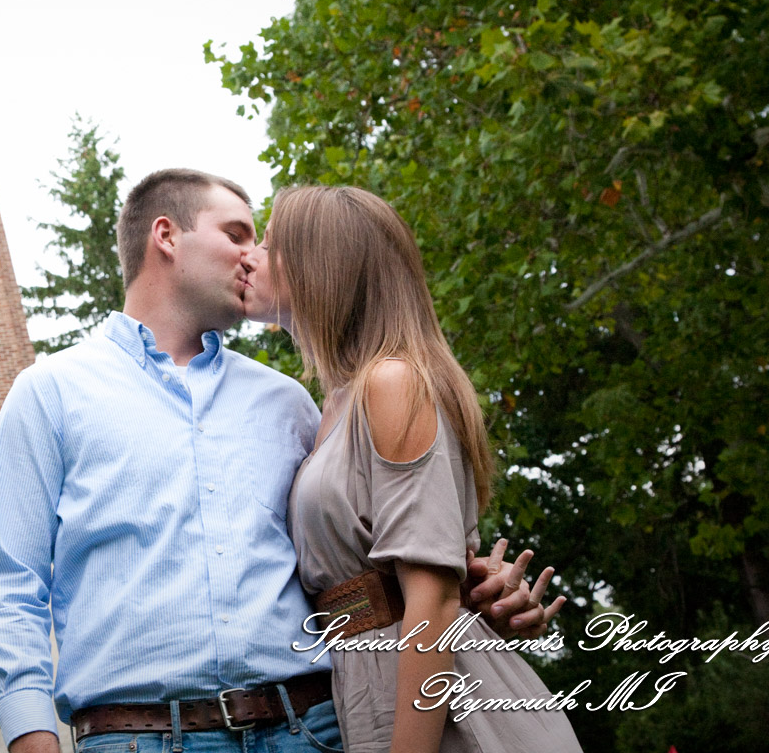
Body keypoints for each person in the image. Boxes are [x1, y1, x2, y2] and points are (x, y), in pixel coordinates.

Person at [0, 169, 558, 753]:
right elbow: (7, 587)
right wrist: (31, 735)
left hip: (315, 727)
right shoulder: (51, 393)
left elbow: (381, 549)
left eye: (264, 242)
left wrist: (474, 588)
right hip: (136, 738)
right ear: (167, 236)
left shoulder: (290, 403)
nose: (251, 255)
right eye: (237, 234)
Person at [241, 185, 581, 752]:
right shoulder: (331, 405)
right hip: (365, 688)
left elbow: (434, 599)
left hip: (442, 709)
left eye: (271, 244)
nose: (249, 255)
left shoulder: (391, 382)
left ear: (323, 267)